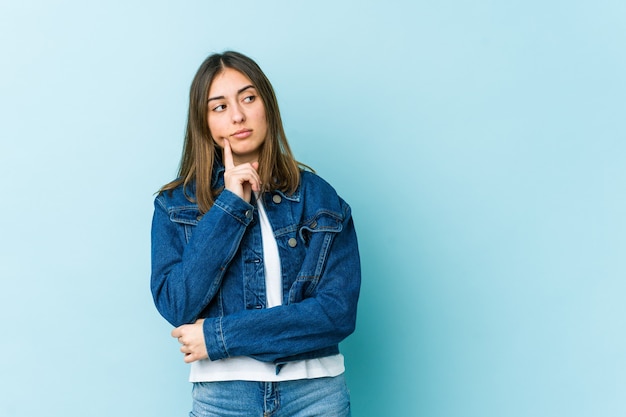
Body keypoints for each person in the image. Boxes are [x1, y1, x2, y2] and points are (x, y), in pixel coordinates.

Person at [150, 50, 361, 417]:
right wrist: (230, 205)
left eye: (248, 98)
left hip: (315, 397)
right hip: (223, 399)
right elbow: (176, 305)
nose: (237, 116)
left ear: (267, 105)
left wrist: (216, 337)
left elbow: (336, 314)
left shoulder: (320, 199)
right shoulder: (175, 205)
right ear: (204, 123)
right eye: (219, 107)